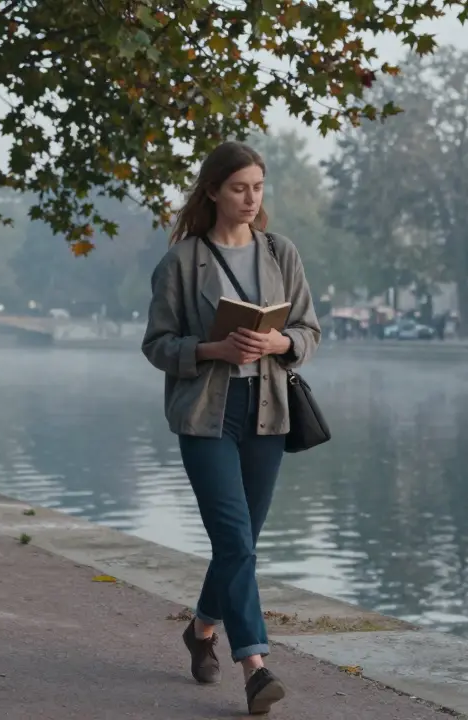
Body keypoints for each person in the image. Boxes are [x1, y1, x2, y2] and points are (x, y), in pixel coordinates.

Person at [140, 140, 321, 715]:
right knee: (235, 539)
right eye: (239, 187)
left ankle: (200, 630)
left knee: (241, 543)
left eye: (258, 188)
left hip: (267, 412)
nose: (250, 198)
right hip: (206, 416)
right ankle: (256, 667)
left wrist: (281, 341)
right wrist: (213, 348)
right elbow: (157, 345)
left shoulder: (279, 252)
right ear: (214, 190)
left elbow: (310, 331)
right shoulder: (180, 261)